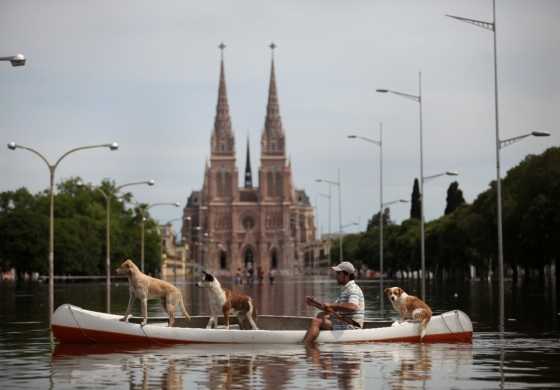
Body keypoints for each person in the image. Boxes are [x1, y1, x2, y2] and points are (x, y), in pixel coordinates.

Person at [303, 261, 365, 346]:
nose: (336, 276)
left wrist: (332, 305)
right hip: (344, 323)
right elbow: (331, 310)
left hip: (352, 327)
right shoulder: (346, 290)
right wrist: (314, 304)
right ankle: (319, 344)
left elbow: (353, 306)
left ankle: (305, 346)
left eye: (338, 274)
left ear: (346, 275)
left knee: (316, 322)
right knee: (321, 314)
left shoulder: (353, 289)